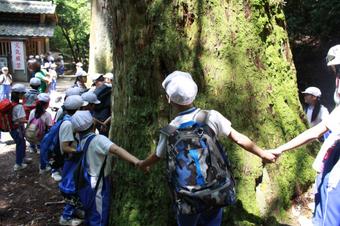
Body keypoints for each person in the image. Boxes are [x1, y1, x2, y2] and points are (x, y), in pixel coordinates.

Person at [138, 71, 276, 226]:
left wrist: (142, 164)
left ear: (169, 99)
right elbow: (239, 139)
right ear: (195, 94)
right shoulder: (211, 117)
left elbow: (157, 156)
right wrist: (263, 154)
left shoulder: (169, 131)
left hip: (187, 197)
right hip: (215, 188)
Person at [269, 106, 340, 226]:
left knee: (329, 218)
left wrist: (281, 149)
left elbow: (315, 132)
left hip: (334, 178)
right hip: (328, 168)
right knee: (320, 214)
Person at [71, 110, 140, 225]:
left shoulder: (81, 140)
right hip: (98, 183)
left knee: (90, 212)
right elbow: (116, 149)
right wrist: (136, 161)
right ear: (93, 124)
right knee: (99, 216)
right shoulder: (98, 140)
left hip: (86, 181)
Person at [58, 96, 87, 225]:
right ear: (77, 109)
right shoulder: (68, 124)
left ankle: (76, 209)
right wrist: (81, 150)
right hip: (71, 161)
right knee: (71, 187)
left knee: (76, 185)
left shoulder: (70, 120)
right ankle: (66, 217)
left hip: (74, 160)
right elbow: (65, 147)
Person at [10, 84, 29, 171]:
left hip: (12, 128)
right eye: (23, 93)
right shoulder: (19, 106)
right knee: (20, 145)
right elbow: (21, 120)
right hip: (17, 128)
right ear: (19, 94)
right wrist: (30, 121)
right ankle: (18, 164)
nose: (24, 95)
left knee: (22, 142)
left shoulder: (11, 104)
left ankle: (23, 159)